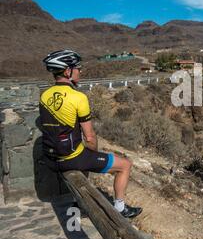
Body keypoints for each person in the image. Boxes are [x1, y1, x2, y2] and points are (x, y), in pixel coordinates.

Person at [40, 49, 142, 218]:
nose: (80, 71)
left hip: (50, 158)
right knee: (125, 165)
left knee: (85, 154)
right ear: (67, 71)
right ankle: (120, 208)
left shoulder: (44, 95)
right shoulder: (78, 97)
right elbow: (90, 137)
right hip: (70, 159)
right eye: (77, 68)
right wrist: (93, 155)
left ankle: (79, 200)